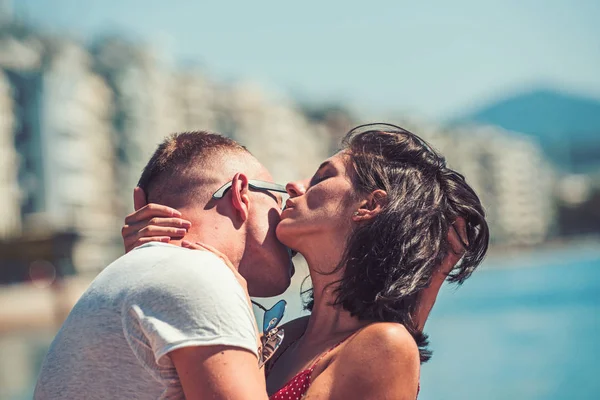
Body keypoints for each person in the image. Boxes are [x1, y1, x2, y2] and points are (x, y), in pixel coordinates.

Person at [124, 123, 490, 399]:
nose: (294, 187)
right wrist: (152, 263)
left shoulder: (385, 345)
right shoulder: (284, 335)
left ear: (369, 205)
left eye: (323, 176)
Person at [34, 131, 294, 400]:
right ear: (241, 194)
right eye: (278, 199)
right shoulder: (200, 277)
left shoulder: (132, 275)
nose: (286, 219)